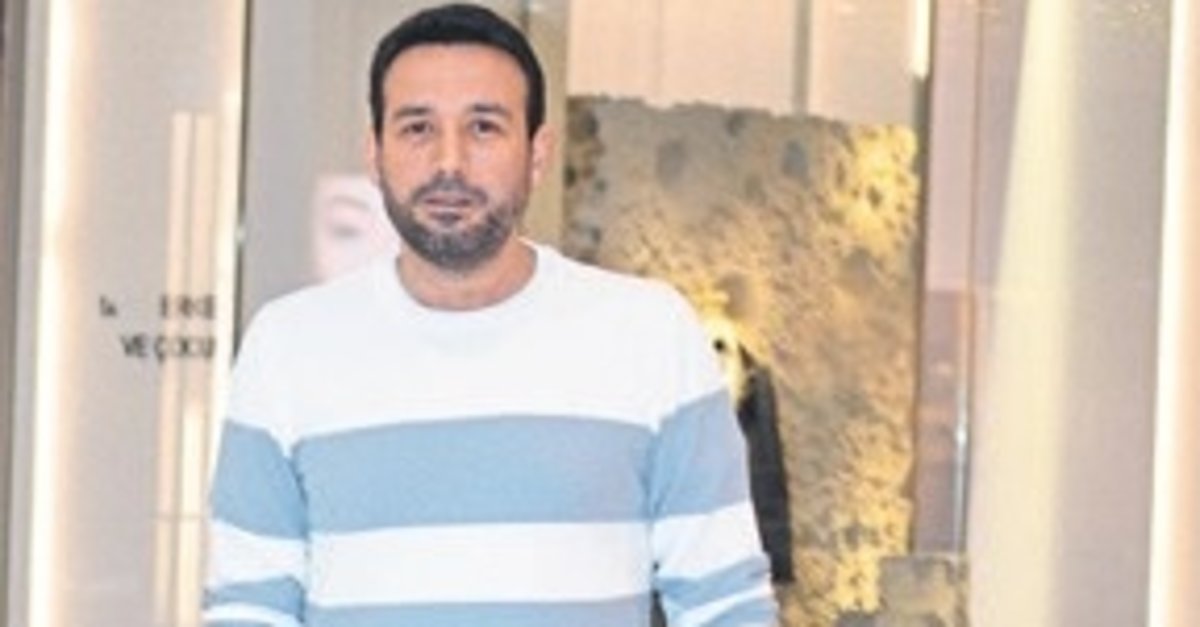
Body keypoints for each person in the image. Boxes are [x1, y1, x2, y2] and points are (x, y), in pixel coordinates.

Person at [202, 4, 777, 626]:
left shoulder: (649, 333)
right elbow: (249, 609)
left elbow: (725, 604)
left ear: (537, 153)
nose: (448, 162)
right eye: (417, 127)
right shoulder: (289, 345)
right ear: (375, 153)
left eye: (483, 127)